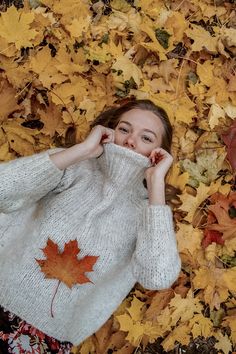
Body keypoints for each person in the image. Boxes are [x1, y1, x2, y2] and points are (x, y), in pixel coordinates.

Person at [0, 99, 181, 353]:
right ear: (109, 131)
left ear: (159, 154)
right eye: (124, 129)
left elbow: (157, 276)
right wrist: (82, 150)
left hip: (41, 339)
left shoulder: (151, 212)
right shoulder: (73, 166)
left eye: (146, 138)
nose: (130, 140)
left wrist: (156, 185)